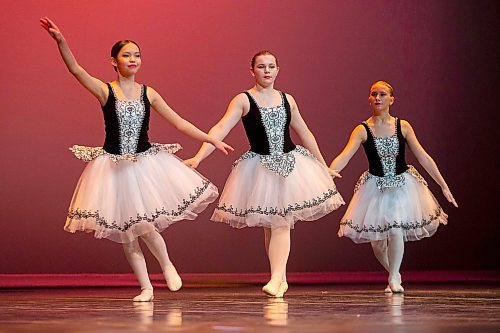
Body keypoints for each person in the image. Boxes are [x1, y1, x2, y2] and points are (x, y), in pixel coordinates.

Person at [40, 17, 233, 302]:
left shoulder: (148, 93)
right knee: (128, 233)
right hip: (114, 167)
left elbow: (179, 122)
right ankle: (146, 287)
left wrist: (211, 138)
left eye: (137, 55)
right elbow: (76, 70)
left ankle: (167, 266)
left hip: (144, 165)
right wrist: (62, 42)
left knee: (145, 224)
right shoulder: (106, 91)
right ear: (113, 61)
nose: (133, 59)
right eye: (126, 55)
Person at [184, 50, 344, 298]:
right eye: (261, 67)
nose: (267, 71)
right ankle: (280, 278)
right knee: (272, 226)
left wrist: (323, 166)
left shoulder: (287, 99)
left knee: (281, 222)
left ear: (278, 70)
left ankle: (277, 279)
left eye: (271, 66)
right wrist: (199, 156)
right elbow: (220, 128)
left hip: (292, 166)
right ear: (252, 71)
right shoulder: (244, 99)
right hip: (260, 168)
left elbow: (305, 132)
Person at [330, 81, 458, 293]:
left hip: (402, 186)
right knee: (378, 244)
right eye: (374, 94)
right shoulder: (362, 129)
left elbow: (423, 157)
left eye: (382, 94)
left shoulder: (403, 126)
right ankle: (394, 273)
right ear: (369, 98)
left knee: (396, 228)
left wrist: (443, 185)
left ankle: (393, 280)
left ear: (391, 99)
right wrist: (328, 174)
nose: (378, 98)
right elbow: (344, 155)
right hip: (375, 188)